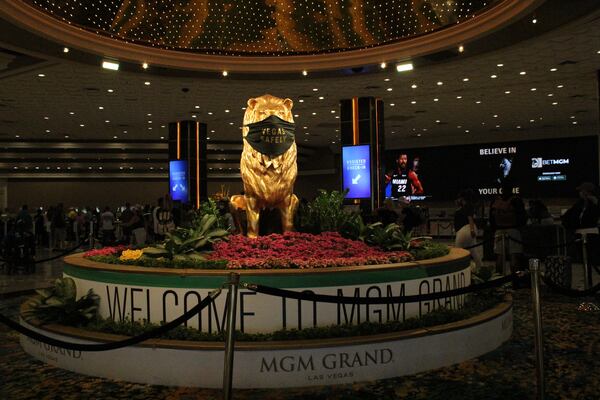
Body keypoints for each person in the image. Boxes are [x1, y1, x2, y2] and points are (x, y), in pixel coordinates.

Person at [489, 181, 527, 276]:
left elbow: (491, 218)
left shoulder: (495, 201)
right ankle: (515, 281)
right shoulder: (516, 201)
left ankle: (498, 279)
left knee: (499, 257)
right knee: (514, 257)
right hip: (513, 231)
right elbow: (522, 217)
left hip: (499, 231)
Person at [454, 190, 482, 269]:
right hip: (468, 229)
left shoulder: (467, 206)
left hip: (465, 230)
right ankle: (479, 267)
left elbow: (470, 218)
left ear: (462, 198)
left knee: (458, 250)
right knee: (473, 250)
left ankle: (459, 268)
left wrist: (472, 230)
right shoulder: (466, 206)